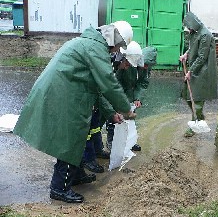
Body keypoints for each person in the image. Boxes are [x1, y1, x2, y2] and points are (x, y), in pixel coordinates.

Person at [13, 21, 136, 203]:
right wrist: (126, 109)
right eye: (118, 46)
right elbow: (108, 84)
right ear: (114, 39)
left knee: (78, 136)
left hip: (63, 92)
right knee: (70, 139)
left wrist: (111, 113)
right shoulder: (95, 48)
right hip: (62, 94)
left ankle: (76, 175)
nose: (116, 50)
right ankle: (59, 188)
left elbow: (97, 89)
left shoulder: (89, 44)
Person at [106, 42, 157, 152]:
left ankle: (129, 141)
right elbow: (116, 82)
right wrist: (119, 100)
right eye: (145, 64)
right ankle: (111, 140)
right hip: (120, 92)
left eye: (148, 66)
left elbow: (143, 83)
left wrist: (138, 98)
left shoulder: (146, 67)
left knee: (129, 119)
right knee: (115, 116)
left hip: (131, 96)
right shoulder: (127, 63)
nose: (146, 67)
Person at [179, 12, 218, 137]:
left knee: (197, 98)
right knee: (187, 96)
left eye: (189, 27)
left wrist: (191, 71)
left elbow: (202, 57)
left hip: (203, 71)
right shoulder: (196, 32)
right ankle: (199, 118)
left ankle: (195, 124)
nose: (189, 30)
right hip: (196, 68)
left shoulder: (205, 35)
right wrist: (186, 54)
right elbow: (193, 46)